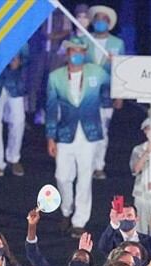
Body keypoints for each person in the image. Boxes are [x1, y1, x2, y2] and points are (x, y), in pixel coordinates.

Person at [46, 35, 110, 238]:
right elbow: (50, 108)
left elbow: (114, 81)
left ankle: (79, 221)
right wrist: (50, 137)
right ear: (68, 53)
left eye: (81, 51)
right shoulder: (55, 77)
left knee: (85, 178)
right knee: (62, 176)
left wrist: (112, 62)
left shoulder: (96, 72)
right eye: (74, 51)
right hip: (65, 132)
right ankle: (66, 209)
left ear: (85, 53)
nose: (77, 55)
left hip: (90, 134)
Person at [86, 4, 125, 180]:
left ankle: (98, 165)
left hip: (107, 93)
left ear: (109, 23)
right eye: (97, 18)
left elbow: (121, 71)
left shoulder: (118, 44)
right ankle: (86, 163)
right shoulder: (84, 40)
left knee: (102, 130)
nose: (100, 22)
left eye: (104, 19)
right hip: (86, 93)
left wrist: (119, 95)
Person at [0, 44, 28, 178]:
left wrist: (19, 62)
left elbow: (27, 57)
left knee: (18, 121)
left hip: (14, 84)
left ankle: (13, 158)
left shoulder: (19, 34)